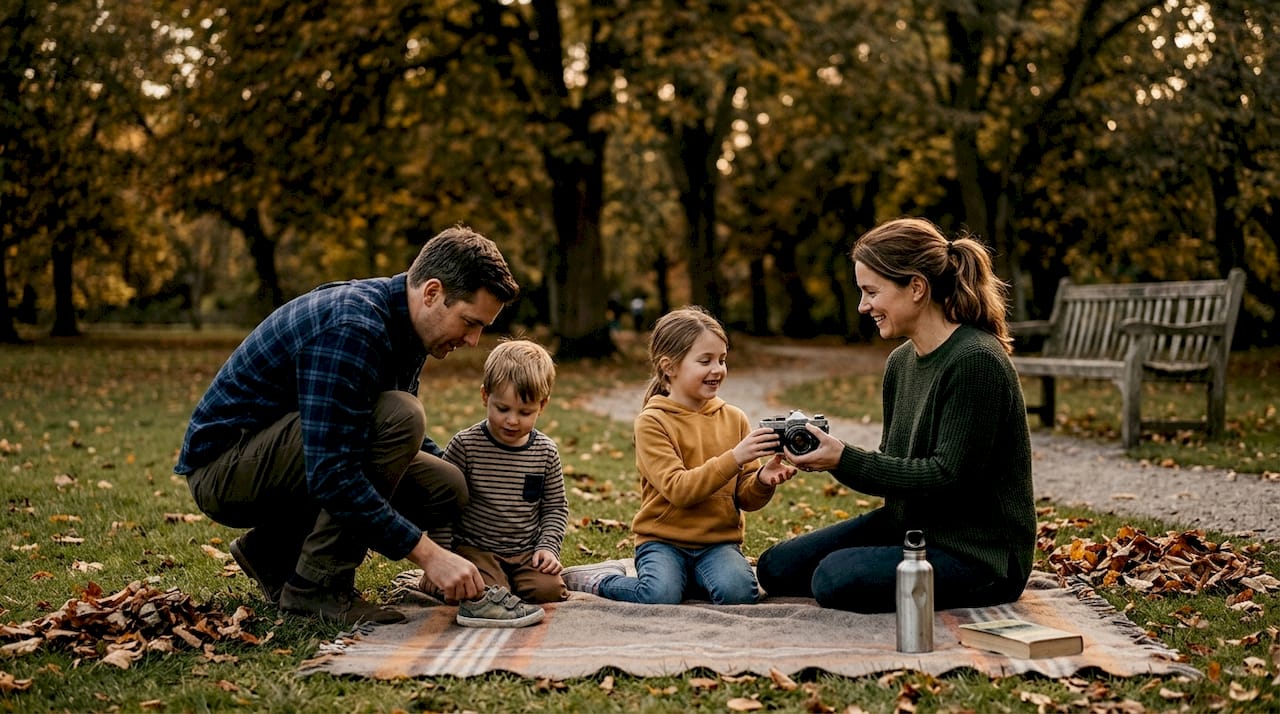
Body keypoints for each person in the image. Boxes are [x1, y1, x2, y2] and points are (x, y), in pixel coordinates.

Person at [176, 225, 522, 626]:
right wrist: (429, 555)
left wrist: (482, 498)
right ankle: (317, 587)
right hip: (224, 469)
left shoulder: (408, 329)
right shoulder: (354, 327)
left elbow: (377, 439)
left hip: (291, 455)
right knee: (403, 416)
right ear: (431, 293)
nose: (474, 340)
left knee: (447, 484)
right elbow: (332, 473)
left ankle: (271, 551)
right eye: (470, 322)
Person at [755, 217, 1035, 613]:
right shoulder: (901, 363)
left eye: (872, 291)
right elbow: (897, 469)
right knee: (775, 568)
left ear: (917, 287)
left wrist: (844, 457)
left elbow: (946, 477)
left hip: (979, 556)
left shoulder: (976, 361)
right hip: (911, 527)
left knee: (833, 578)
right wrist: (833, 460)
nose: (863, 306)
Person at [562, 306, 796, 604]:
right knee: (659, 594)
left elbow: (746, 499)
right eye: (705, 360)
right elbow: (679, 489)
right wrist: (734, 457)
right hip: (663, 541)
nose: (717, 369)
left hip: (717, 543)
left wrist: (763, 480)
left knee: (739, 593)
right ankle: (602, 579)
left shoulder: (735, 418)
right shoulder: (652, 421)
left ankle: (693, 577)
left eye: (722, 360)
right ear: (669, 367)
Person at [438, 339, 567, 627]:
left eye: (524, 413)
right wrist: (442, 558)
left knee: (550, 591)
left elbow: (556, 507)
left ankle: (510, 581)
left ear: (542, 406)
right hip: (475, 549)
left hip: (524, 551)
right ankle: (446, 584)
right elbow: (442, 503)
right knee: (487, 593)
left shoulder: (545, 451)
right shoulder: (465, 445)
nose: (511, 421)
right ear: (485, 396)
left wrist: (547, 547)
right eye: (502, 408)